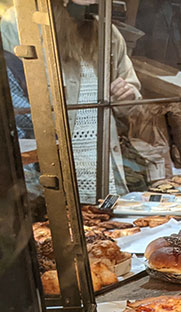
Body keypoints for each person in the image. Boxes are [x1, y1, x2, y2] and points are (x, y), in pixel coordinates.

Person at [2, 0, 141, 203]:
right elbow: (15, 98)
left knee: (104, 228)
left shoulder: (107, 34)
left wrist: (127, 96)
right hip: (50, 168)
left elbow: (131, 97)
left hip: (104, 167)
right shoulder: (21, 22)